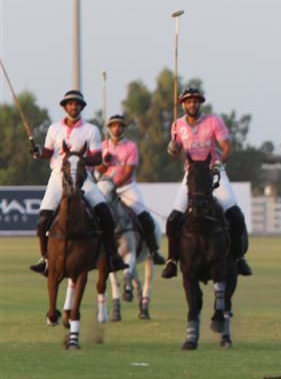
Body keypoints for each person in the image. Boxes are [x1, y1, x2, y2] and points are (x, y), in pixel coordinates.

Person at [28, 90, 126, 275]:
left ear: (81, 107)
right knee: (42, 221)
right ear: (65, 107)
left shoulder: (91, 130)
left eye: (77, 104)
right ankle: (45, 259)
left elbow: (97, 158)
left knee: (105, 213)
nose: (74, 107)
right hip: (58, 176)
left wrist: (77, 162)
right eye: (70, 104)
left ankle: (112, 257)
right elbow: (48, 153)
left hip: (83, 177)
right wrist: (38, 152)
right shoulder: (54, 129)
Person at [162, 87, 252, 279]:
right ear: (183, 104)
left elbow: (226, 147)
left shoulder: (213, 121)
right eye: (188, 101)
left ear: (200, 103)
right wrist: (172, 148)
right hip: (192, 176)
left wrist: (219, 164)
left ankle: (238, 258)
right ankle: (171, 261)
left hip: (213, 173)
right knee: (173, 220)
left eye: (195, 101)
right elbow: (175, 152)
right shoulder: (177, 126)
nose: (192, 104)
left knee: (235, 215)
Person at [97, 114, 167, 264]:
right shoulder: (103, 147)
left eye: (120, 125)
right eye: (114, 125)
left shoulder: (131, 146)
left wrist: (114, 185)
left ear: (123, 128)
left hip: (126, 187)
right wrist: (105, 162)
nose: (117, 128)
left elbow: (129, 171)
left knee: (144, 216)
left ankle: (154, 251)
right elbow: (98, 170)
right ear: (109, 128)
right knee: (94, 214)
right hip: (104, 188)